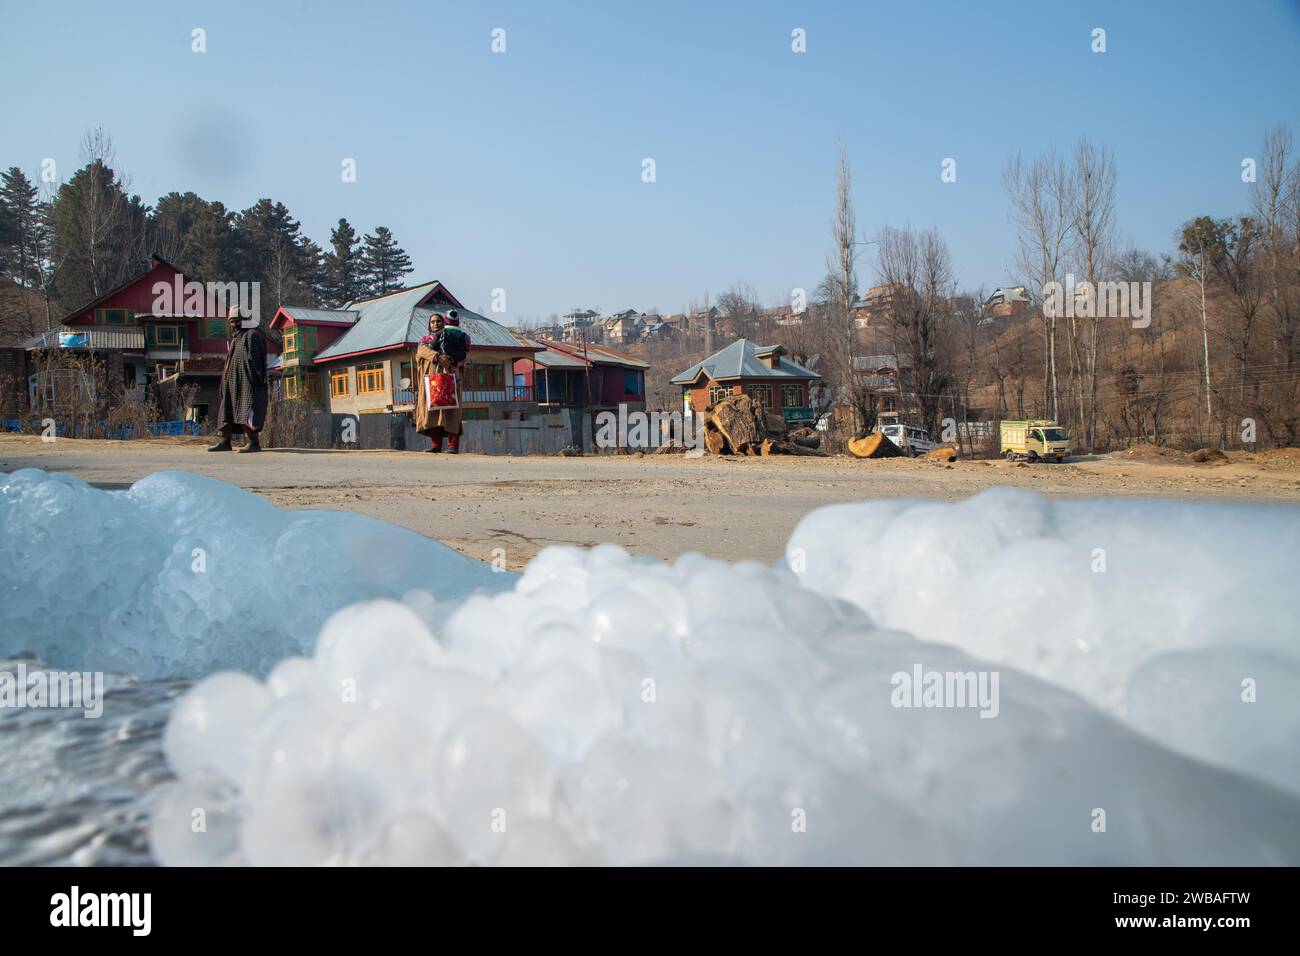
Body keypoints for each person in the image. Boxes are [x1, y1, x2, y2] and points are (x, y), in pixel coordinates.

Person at [208, 304, 268, 453]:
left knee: (247, 410)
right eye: (232, 321)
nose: (235, 324)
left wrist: (255, 383)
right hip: (232, 383)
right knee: (226, 411)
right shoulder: (236, 339)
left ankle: (253, 443)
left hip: (248, 384)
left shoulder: (252, 336)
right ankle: (224, 442)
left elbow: (257, 363)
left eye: (238, 320)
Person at [413, 310, 469, 453]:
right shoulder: (425, 340)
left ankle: (453, 446)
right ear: (429, 325)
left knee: (452, 412)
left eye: (438, 321)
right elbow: (421, 352)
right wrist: (437, 357)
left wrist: (454, 361)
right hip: (431, 382)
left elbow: (464, 356)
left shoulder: (456, 339)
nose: (436, 324)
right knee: (433, 412)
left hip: (451, 379)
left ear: (444, 323)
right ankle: (435, 445)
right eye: (433, 322)